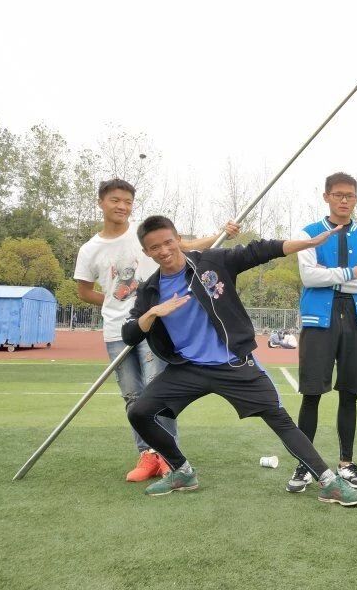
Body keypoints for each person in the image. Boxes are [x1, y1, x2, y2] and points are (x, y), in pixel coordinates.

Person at [121, 215, 357, 506]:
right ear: (146, 252)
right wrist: (152, 313)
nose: (163, 251)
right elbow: (129, 333)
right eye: (154, 247)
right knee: (139, 412)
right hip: (188, 368)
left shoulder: (210, 263)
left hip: (232, 363)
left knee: (279, 418)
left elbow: (259, 250)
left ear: (178, 240)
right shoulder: (150, 290)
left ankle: (329, 482)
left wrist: (307, 243)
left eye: (168, 242)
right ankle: (182, 471)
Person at [74, 178, 240, 482]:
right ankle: (147, 456)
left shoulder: (145, 236)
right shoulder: (89, 249)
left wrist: (222, 234)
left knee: (157, 392)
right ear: (101, 203)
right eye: (115, 200)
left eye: (127, 201)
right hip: (117, 330)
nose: (122, 206)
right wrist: (114, 303)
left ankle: (168, 458)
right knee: (132, 396)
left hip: (154, 327)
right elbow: (83, 291)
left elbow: (184, 246)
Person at [288, 172, 357, 493]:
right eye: (338, 194)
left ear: (356, 198)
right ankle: (304, 465)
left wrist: (332, 277)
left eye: (350, 195)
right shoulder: (308, 234)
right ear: (326, 196)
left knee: (350, 393)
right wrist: (352, 274)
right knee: (311, 393)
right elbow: (309, 277)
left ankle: (346, 463)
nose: (344, 200)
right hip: (319, 321)